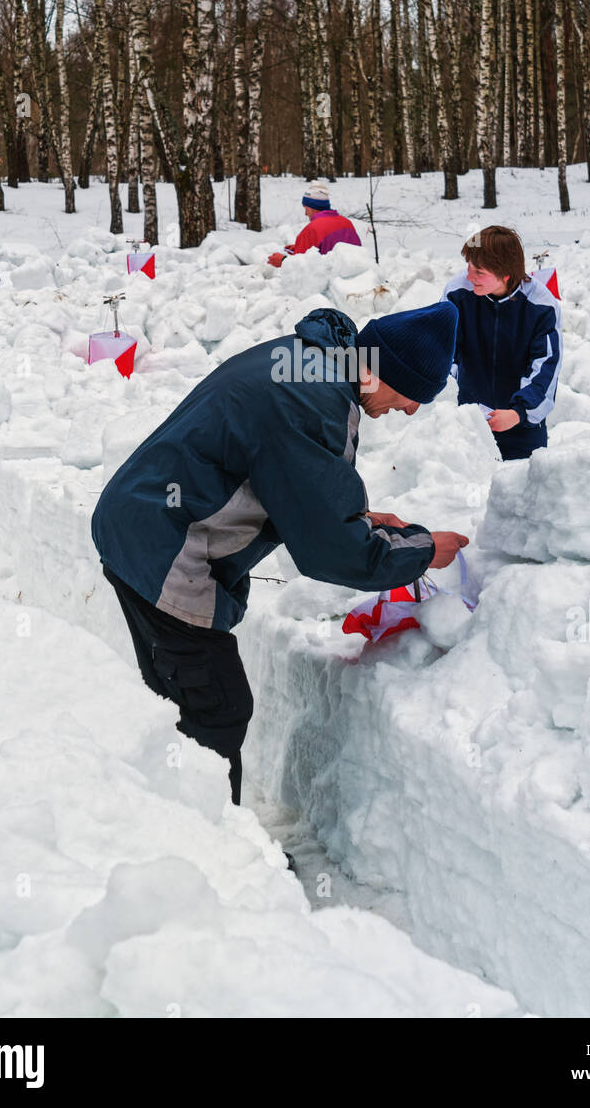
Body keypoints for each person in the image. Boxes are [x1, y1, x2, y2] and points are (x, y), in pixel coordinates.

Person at [92, 301, 467, 808]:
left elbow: (288, 485)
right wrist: (424, 550)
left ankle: (166, 815)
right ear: (384, 371)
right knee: (218, 706)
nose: (410, 409)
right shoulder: (312, 401)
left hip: (142, 526)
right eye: (411, 394)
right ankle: (212, 850)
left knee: (179, 696)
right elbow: (331, 551)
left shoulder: (304, 365)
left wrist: (365, 520)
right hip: (163, 549)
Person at [442, 225, 562, 460]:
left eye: (479, 272)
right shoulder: (458, 293)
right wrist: (457, 403)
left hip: (521, 427)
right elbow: (444, 351)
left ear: (505, 274)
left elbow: (546, 367)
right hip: (469, 424)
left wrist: (519, 412)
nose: (469, 276)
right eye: (469, 266)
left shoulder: (540, 305)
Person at [267, 182, 362, 267]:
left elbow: (299, 268)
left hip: (327, 284)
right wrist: (298, 246)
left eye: (306, 208)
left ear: (313, 207)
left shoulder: (312, 229)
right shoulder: (346, 223)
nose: (305, 213)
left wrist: (283, 261)